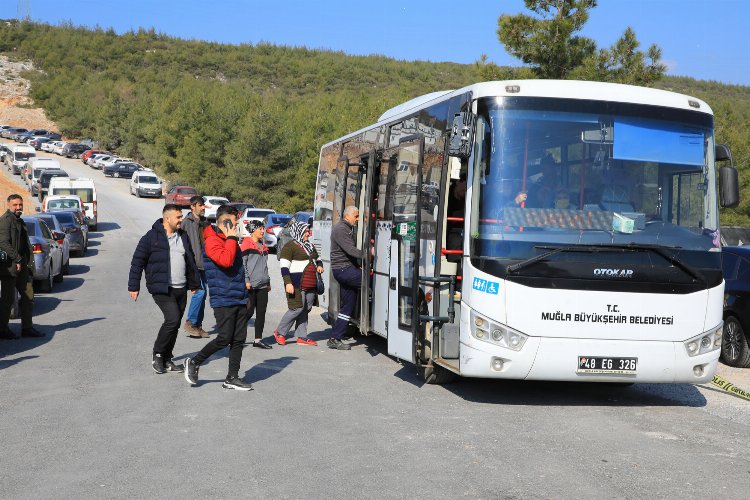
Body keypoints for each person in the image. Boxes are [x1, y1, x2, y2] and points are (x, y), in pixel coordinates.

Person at [184, 205, 253, 391]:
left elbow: (238, 269)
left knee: (239, 339)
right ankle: (195, 362)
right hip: (223, 298)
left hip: (238, 296)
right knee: (224, 338)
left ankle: (232, 377)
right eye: (235, 220)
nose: (237, 223)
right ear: (225, 221)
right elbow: (226, 260)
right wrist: (231, 238)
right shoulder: (212, 241)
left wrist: (245, 295)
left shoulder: (230, 240)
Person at [128, 204, 199, 373]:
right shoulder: (151, 237)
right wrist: (133, 286)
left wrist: (194, 283)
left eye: (181, 216)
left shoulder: (183, 236)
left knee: (174, 324)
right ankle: (158, 355)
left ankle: (167, 358)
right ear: (168, 219)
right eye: (178, 217)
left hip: (180, 287)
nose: (181, 220)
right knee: (172, 319)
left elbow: (190, 260)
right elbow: (137, 262)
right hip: (161, 288)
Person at [273, 221, 322, 346]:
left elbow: (318, 258)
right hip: (296, 284)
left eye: (308, 231)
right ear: (298, 231)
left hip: (311, 285)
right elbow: (284, 267)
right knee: (296, 308)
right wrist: (288, 283)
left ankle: (302, 336)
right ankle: (280, 332)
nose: (308, 233)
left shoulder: (310, 246)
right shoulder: (289, 247)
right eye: (306, 231)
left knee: (305, 309)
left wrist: (320, 266)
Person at [0, 194, 43, 339]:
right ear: (8, 205)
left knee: (28, 296)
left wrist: (28, 264)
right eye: (15, 205)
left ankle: (27, 328)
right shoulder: (5, 221)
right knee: (7, 300)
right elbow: (4, 243)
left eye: (20, 205)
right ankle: (3, 329)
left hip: (22, 266)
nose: (18, 208)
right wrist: (17, 259)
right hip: (10, 267)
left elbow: (25, 245)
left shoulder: (20, 221)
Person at [328, 205, 365, 351]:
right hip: (343, 270)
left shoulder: (346, 228)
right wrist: (370, 254)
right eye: (356, 216)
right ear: (348, 216)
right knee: (373, 283)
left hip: (344, 269)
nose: (357, 219)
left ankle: (335, 338)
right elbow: (351, 250)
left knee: (347, 306)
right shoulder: (341, 229)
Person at [241, 219, 272, 349]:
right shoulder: (246, 244)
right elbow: (243, 265)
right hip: (251, 285)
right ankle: (236, 337)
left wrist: (268, 281)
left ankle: (258, 340)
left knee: (261, 312)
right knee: (248, 312)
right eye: (260, 229)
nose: (263, 231)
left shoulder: (263, 246)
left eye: (263, 229)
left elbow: (264, 266)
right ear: (253, 230)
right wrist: (246, 280)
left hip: (263, 284)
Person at [182, 195, 210, 338]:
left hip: (204, 264)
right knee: (199, 292)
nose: (203, 207)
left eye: (203, 205)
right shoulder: (186, 222)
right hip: (193, 264)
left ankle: (197, 325)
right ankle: (190, 322)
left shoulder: (205, 222)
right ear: (192, 206)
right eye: (200, 205)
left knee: (203, 293)